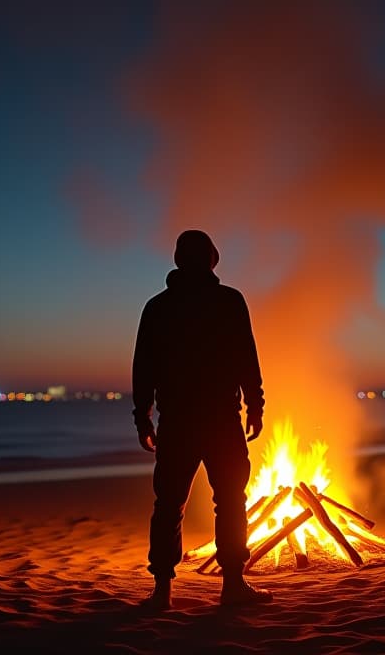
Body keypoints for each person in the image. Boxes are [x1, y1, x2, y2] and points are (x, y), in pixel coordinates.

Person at [132, 229, 273, 610]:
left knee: (169, 504)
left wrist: (143, 418)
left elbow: (143, 369)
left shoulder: (158, 307)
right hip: (219, 420)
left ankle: (162, 591)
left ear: (179, 260)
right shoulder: (229, 301)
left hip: (178, 421)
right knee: (229, 500)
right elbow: (248, 359)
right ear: (212, 259)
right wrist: (255, 407)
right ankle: (232, 585)